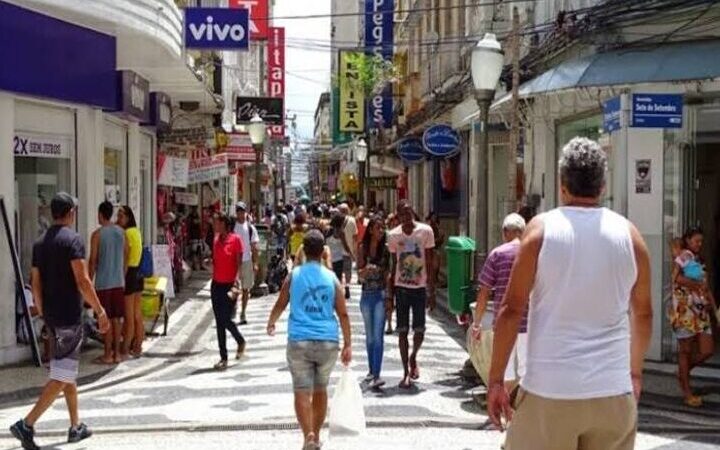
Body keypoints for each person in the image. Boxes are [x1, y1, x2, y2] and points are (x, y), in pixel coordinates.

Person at [487, 137, 652, 450]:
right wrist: (634, 373)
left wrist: (496, 380)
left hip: (550, 390)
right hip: (612, 392)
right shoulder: (632, 237)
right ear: (603, 186)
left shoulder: (539, 231)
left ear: (562, 185)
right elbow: (643, 313)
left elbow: (511, 309)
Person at [10, 192, 110, 450]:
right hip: (68, 316)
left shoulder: (39, 244)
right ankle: (27, 423)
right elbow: (82, 279)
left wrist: (42, 311)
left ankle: (75, 426)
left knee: (66, 371)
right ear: (70, 213)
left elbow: (35, 281)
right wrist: (99, 310)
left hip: (52, 317)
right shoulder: (73, 241)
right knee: (62, 374)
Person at [266, 230, 352, 450]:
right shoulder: (331, 277)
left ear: (302, 249)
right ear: (324, 250)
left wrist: (271, 322)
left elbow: (281, 302)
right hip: (327, 341)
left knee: (302, 390)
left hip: (299, 341)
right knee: (321, 388)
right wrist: (348, 344)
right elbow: (343, 313)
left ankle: (309, 436)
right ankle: (317, 433)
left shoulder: (294, 275)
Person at [470, 213, 527, 390]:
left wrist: (477, 323)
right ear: (523, 232)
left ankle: (505, 412)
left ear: (504, 232)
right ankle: (522, 413)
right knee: (528, 371)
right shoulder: (533, 252)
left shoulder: (497, 254)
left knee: (506, 370)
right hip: (531, 322)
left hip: (504, 322)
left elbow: (484, 292)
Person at [386, 200, 436, 389]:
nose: (406, 217)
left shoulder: (425, 232)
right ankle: (405, 371)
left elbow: (430, 262)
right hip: (401, 288)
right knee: (402, 331)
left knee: (420, 329)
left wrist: (432, 291)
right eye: (402, 214)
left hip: (420, 288)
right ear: (398, 216)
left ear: (412, 213)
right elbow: (393, 265)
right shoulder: (393, 235)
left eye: (409, 213)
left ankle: (414, 356)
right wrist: (390, 295)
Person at [670, 227, 717, 407]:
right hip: (685, 311)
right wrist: (696, 284)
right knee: (686, 351)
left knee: (707, 350)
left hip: (701, 312)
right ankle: (687, 393)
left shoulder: (698, 259)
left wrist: (714, 309)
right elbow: (676, 278)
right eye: (696, 241)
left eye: (701, 241)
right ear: (688, 240)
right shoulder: (684, 256)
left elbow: (706, 286)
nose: (699, 244)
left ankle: (683, 374)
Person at [88, 201, 127, 365]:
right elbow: (127, 255)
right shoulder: (121, 232)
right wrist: (122, 274)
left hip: (103, 283)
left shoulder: (97, 235)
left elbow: (93, 261)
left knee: (105, 319)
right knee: (117, 318)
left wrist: (89, 281)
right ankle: (117, 354)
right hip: (118, 281)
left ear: (100, 214)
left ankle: (107, 354)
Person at [210, 212, 246, 370]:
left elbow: (239, 263)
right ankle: (223, 357)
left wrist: (237, 282)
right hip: (216, 284)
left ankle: (240, 340)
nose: (214, 225)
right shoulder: (216, 240)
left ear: (224, 223)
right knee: (219, 321)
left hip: (230, 285)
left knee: (225, 319)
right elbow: (215, 261)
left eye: (217, 222)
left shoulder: (235, 240)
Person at [358, 215, 390, 389]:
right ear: (370, 230)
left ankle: (377, 374)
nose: (381, 231)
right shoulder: (362, 247)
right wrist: (366, 270)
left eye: (382, 228)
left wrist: (388, 298)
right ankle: (371, 370)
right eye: (378, 228)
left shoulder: (385, 250)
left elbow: (387, 274)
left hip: (380, 294)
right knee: (369, 337)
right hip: (366, 295)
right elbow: (359, 274)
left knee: (378, 337)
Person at [117, 205, 145, 359]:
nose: (118, 218)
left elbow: (126, 259)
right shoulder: (136, 231)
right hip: (139, 273)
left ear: (128, 217)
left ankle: (126, 348)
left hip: (130, 274)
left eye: (121, 215)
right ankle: (138, 346)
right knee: (137, 313)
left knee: (129, 315)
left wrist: (122, 277)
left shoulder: (126, 233)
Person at [233, 202, 259, 326]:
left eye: (242, 211)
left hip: (247, 261)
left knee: (245, 289)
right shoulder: (231, 227)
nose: (241, 213)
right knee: (233, 288)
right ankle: (233, 309)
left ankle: (243, 312)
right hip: (233, 262)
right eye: (238, 211)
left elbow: (254, 246)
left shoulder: (250, 228)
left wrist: (255, 263)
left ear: (245, 212)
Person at [338, 203, 357, 299]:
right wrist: (354, 251)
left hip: (337, 252)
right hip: (348, 251)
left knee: (339, 271)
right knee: (347, 271)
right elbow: (355, 237)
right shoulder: (352, 220)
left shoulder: (336, 221)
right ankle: (347, 286)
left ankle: (340, 288)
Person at [187, 205, 203, 270]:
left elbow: (199, 226)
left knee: (197, 252)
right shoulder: (191, 216)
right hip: (193, 237)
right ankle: (195, 265)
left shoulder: (196, 216)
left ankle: (197, 266)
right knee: (194, 252)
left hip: (197, 237)